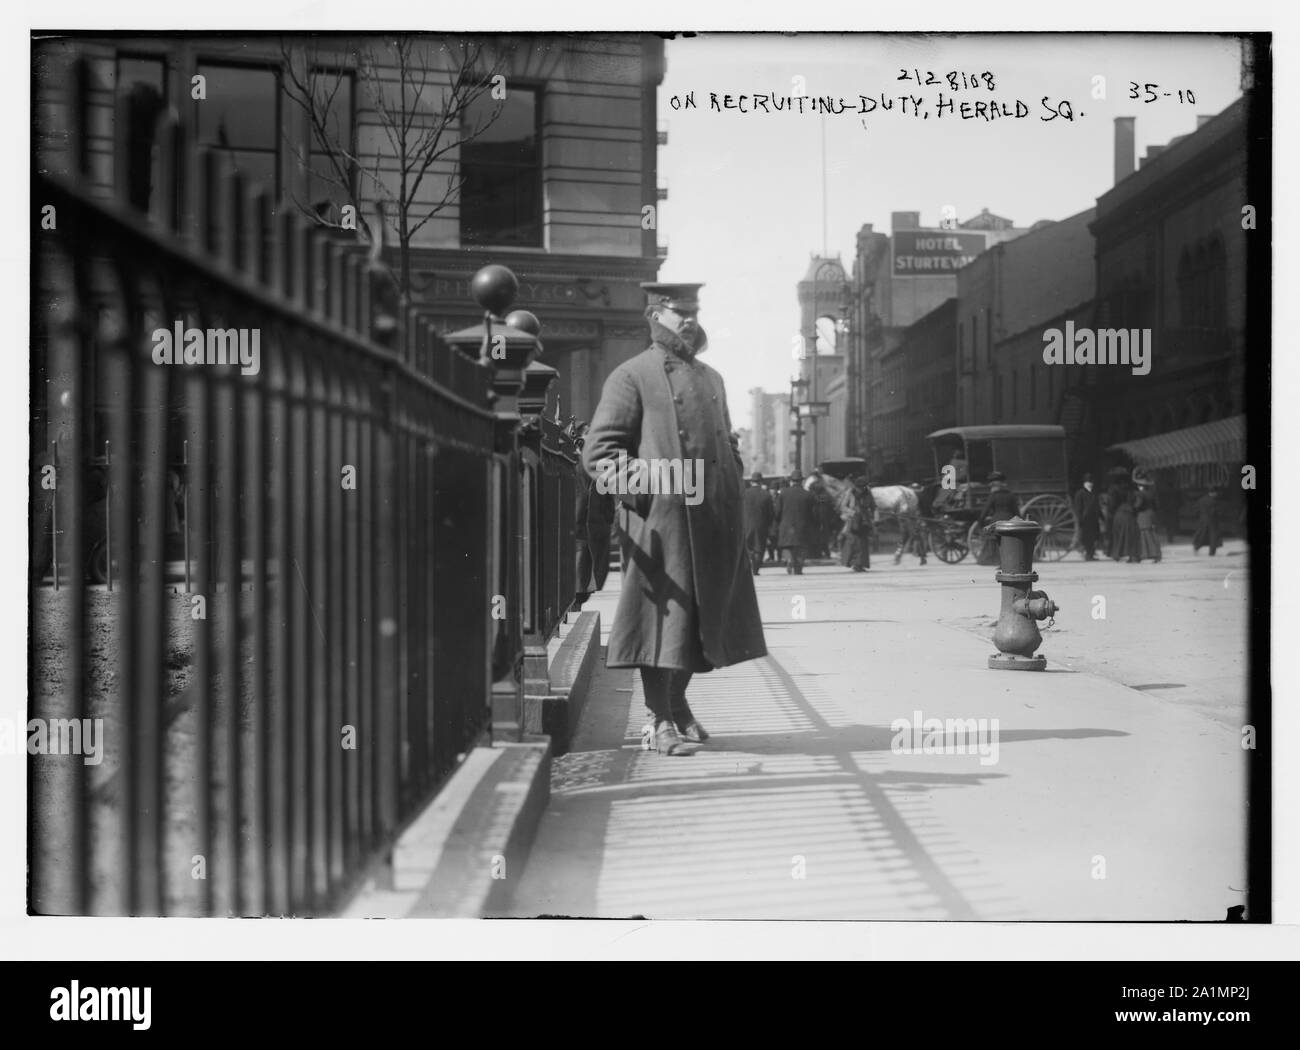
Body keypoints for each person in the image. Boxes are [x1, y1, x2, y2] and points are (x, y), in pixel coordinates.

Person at [582, 282, 767, 756]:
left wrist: (731, 485)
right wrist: (655, 489)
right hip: (662, 522)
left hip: (714, 519)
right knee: (661, 621)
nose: (688, 319)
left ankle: (679, 705)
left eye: (693, 311)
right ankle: (657, 720)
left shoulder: (712, 378)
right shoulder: (631, 376)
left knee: (705, 619)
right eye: (678, 311)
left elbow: (728, 445)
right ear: (654, 314)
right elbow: (599, 455)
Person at [572, 421, 614, 609]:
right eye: (589, 432)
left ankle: (581, 596)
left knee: (591, 567)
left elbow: (607, 492)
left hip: (596, 523)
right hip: (576, 522)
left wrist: (608, 518)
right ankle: (576, 600)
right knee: (579, 565)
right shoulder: (571, 459)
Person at [774, 468, 818, 575]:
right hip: (803, 525)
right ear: (801, 481)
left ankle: (789, 560)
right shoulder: (808, 494)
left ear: (791, 481)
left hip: (786, 525)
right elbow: (813, 513)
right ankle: (799, 567)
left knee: (787, 546)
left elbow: (777, 511)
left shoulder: (783, 493)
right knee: (801, 547)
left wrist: (778, 521)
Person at [975, 470, 1020, 565]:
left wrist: (980, 522)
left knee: (993, 538)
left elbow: (985, 511)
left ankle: (995, 560)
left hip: (996, 522)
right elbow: (1017, 512)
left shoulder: (993, 496)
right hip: (1010, 522)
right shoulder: (1011, 495)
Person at [742, 470, 775, 575]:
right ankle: (755, 569)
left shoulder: (744, 493)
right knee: (759, 548)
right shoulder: (766, 495)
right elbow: (771, 513)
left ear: (751, 482)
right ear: (761, 482)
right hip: (761, 525)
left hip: (746, 525)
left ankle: (748, 566)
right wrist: (769, 525)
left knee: (747, 547)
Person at [839, 473, 873, 572]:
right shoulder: (850, 492)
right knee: (853, 543)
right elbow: (843, 506)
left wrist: (874, 518)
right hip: (852, 522)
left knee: (863, 543)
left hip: (864, 521)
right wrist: (853, 512)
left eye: (863, 487)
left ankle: (861, 564)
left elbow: (873, 506)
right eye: (860, 487)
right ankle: (855, 563)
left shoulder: (868, 493)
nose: (861, 489)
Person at [1106, 472, 1140, 562]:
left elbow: (1112, 504)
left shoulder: (1114, 489)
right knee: (1131, 535)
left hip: (1119, 513)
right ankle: (1132, 555)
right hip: (1130, 513)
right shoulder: (1131, 490)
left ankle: (1117, 554)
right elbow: (1134, 502)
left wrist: (1110, 512)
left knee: (1118, 535)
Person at [1132, 470, 1162, 563]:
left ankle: (1142, 554)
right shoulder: (1152, 493)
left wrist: (1133, 508)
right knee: (1152, 534)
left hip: (1143, 515)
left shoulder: (1140, 494)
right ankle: (1156, 554)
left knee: (1143, 535)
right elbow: (1157, 505)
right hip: (1151, 514)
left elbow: (1138, 505)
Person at [1072, 472, 1102, 561]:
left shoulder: (1094, 492)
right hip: (1085, 519)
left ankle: (1091, 554)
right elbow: (1078, 508)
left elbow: (1097, 506)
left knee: (1094, 537)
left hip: (1094, 518)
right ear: (1085, 483)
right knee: (1086, 538)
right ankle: (1088, 554)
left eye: (1091, 482)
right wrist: (1079, 519)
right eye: (1088, 482)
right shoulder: (1080, 493)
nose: (1090, 484)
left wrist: (1101, 516)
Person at [1192, 487, 1222, 555]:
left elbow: (1195, 509)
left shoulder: (1201, 500)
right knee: (1213, 537)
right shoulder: (1214, 501)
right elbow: (1216, 511)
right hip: (1212, 521)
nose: (1217, 494)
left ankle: (1197, 547)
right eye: (1216, 493)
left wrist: (1200, 517)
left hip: (1203, 521)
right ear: (1214, 493)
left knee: (1203, 535)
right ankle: (1212, 552)